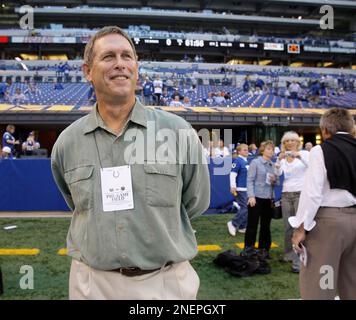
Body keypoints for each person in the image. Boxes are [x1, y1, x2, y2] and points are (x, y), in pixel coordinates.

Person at [51, 26, 210, 300]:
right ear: (87, 71)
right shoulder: (68, 142)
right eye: (108, 56)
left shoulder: (177, 132)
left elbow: (195, 202)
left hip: (165, 282)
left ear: (136, 67)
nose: (120, 64)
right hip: (91, 284)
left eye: (127, 56)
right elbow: (76, 204)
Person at [290, 108, 356, 300]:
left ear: (325, 130)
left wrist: (301, 227)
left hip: (329, 223)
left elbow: (312, 194)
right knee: (352, 282)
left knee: (319, 284)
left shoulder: (320, 150)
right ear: (350, 127)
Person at [275, 131, 309, 273]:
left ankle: (299, 258)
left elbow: (312, 166)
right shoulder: (282, 158)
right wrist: (278, 161)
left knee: (300, 227)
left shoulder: (304, 154)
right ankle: (289, 254)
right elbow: (276, 175)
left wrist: (299, 156)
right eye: (286, 141)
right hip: (286, 193)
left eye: (292, 140)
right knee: (288, 226)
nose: (289, 143)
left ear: (297, 142)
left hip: (301, 193)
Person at [244, 140, 278, 258]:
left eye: (272, 149)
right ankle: (249, 249)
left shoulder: (273, 165)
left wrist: (275, 180)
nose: (271, 151)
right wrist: (251, 196)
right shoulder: (255, 162)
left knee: (265, 226)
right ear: (262, 150)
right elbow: (249, 180)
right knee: (252, 225)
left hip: (268, 198)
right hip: (256, 197)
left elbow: (275, 183)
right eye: (268, 148)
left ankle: (264, 249)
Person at [227, 143, 249, 236]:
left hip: (247, 188)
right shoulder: (237, 160)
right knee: (245, 208)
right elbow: (233, 174)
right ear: (239, 151)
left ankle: (242, 227)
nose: (246, 151)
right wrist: (233, 186)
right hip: (240, 189)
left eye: (247, 149)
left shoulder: (245, 161)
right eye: (244, 150)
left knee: (248, 208)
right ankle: (233, 223)